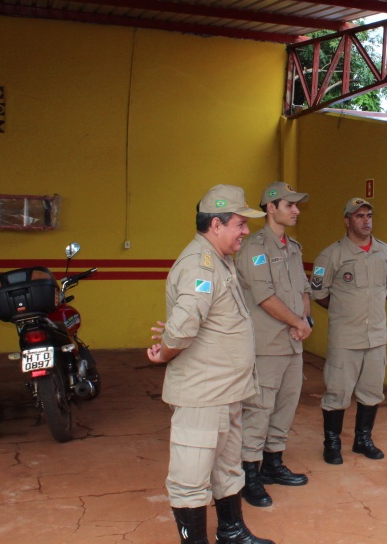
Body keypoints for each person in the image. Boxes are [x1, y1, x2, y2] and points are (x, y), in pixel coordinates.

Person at [147, 184, 274, 544]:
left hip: (226, 391)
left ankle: (232, 532)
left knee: (227, 469)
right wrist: (164, 352)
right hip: (203, 394)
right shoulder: (199, 265)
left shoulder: (220, 260)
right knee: (191, 478)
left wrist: (173, 338)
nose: (245, 231)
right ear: (216, 224)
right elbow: (184, 327)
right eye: (240, 224)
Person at [235, 182, 313, 508]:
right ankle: (248, 475)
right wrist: (297, 323)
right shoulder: (254, 247)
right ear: (271, 207)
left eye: (297, 205)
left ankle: (273, 463)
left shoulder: (293, 247)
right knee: (259, 409)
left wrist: (304, 321)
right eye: (289, 205)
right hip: (266, 344)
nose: (296, 211)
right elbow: (264, 296)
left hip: (293, 342)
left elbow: (304, 289)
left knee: (286, 405)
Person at [310, 197, 387, 465]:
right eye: (359, 216)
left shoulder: (385, 252)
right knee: (337, 392)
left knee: (372, 391)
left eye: (368, 215)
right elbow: (318, 293)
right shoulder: (331, 255)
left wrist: (368, 311)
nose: (366, 221)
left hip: (376, 337)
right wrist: (343, 310)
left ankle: (363, 440)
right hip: (345, 338)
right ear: (347, 221)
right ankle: (332, 443)